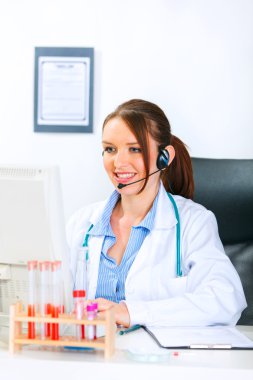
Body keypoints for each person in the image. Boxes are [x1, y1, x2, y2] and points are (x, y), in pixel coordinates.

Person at [66, 99, 247, 328]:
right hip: (89, 355)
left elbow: (225, 299)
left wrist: (130, 312)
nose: (119, 162)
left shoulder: (194, 222)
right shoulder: (81, 223)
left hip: (158, 361)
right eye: (110, 149)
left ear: (165, 157)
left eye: (135, 149)